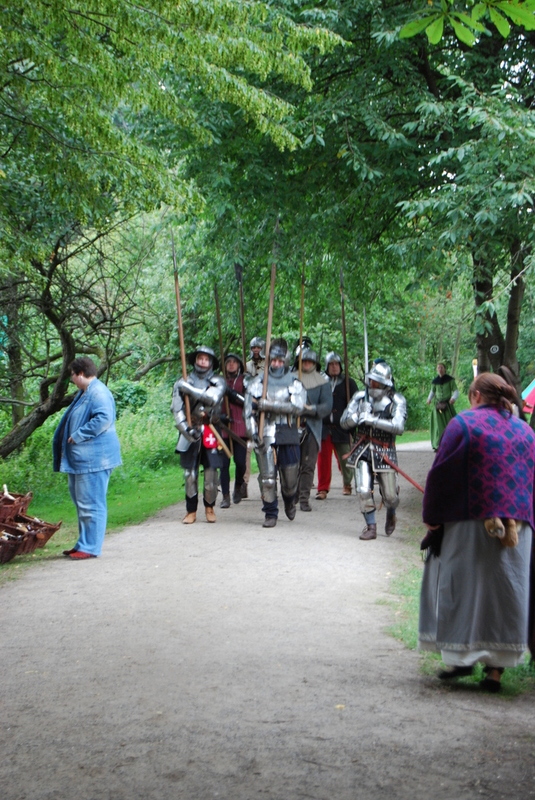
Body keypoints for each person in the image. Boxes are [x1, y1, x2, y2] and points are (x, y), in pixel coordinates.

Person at [419, 372, 535, 692]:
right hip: (518, 528)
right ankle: (495, 671)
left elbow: (441, 473)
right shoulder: (526, 431)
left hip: (469, 523)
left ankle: (462, 658)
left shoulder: (463, 424)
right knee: (505, 595)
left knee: (464, 591)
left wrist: (432, 517)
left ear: (475, 396)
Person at [53, 357, 122, 560]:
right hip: (82, 460)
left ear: (81, 373)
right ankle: (83, 543)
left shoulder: (98, 392)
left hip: (95, 460)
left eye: (72, 375)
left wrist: (79, 435)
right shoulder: (86, 392)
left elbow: (104, 418)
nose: (71, 379)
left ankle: (91, 547)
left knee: (92, 503)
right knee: (82, 503)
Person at [340, 361, 407, 540]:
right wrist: (358, 415)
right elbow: (343, 422)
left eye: (377, 382)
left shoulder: (396, 400)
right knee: (363, 490)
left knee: (391, 496)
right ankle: (371, 526)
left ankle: (391, 510)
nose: (373, 385)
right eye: (371, 381)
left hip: (384, 450)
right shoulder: (360, 397)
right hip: (362, 449)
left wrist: (373, 420)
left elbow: (399, 426)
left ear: (386, 384)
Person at [244, 338, 306, 527]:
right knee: (268, 478)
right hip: (265, 430)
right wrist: (253, 432)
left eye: (279, 360)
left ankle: (289, 500)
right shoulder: (258, 382)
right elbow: (249, 411)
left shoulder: (294, 382)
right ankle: (270, 513)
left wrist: (269, 405)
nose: (276, 364)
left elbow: (298, 407)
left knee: (290, 479)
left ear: (285, 361)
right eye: (273, 360)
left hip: (288, 430)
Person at [171, 346, 226, 524]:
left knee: (211, 474)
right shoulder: (183, 381)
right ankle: (191, 511)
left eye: (206, 359)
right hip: (191, 428)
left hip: (211, 429)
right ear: (195, 360)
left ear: (211, 362)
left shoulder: (218, 380)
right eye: (200, 358)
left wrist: (188, 389)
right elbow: (177, 409)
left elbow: (211, 399)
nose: (203, 362)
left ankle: (210, 508)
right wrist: (186, 429)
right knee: (190, 474)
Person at [294, 348, 332, 512]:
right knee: (292, 465)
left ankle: (304, 498)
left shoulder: (322, 382)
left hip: (312, 427)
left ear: (315, 363)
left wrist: (311, 409)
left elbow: (327, 406)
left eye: (310, 361)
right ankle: (292, 495)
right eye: (304, 361)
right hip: (292, 426)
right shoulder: (291, 378)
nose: (307, 364)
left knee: (308, 465)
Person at [316, 352, 358, 500]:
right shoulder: (320, 382)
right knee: (323, 460)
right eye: (331, 364)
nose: (334, 367)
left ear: (340, 366)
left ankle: (347, 484)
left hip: (342, 427)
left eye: (336, 364)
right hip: (324, 427)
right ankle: (322, 488)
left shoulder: (349, 383)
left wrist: (352, 422)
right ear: (327, 366)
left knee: (345, 458)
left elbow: (356, 404)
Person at [219, 353, 248, 508]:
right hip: (223, 427)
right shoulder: (218, 381)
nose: (231, 364)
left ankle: (238, 485)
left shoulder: (245, 380)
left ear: (239, 365)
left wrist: (232, 394)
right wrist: (219, 416)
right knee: (223, 464)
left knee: (241, 462)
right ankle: (225, 496)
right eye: (228, 361)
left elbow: (250, 402)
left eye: (234, 362)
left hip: (240, 427)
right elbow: (211, 402)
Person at [426, 363, 458, 451]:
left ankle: (451, 444)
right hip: (438, 406)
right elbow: (432, 391)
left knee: (450, 423)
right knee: (438, 425)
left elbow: (455, 391)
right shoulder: (435, 381)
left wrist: (453, 398)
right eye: (438, 368)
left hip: (447, 406)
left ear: (445, 369)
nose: (440, 369)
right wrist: (429, 399)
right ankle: (439, 444)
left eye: (441, 367)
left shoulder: (450, 380)